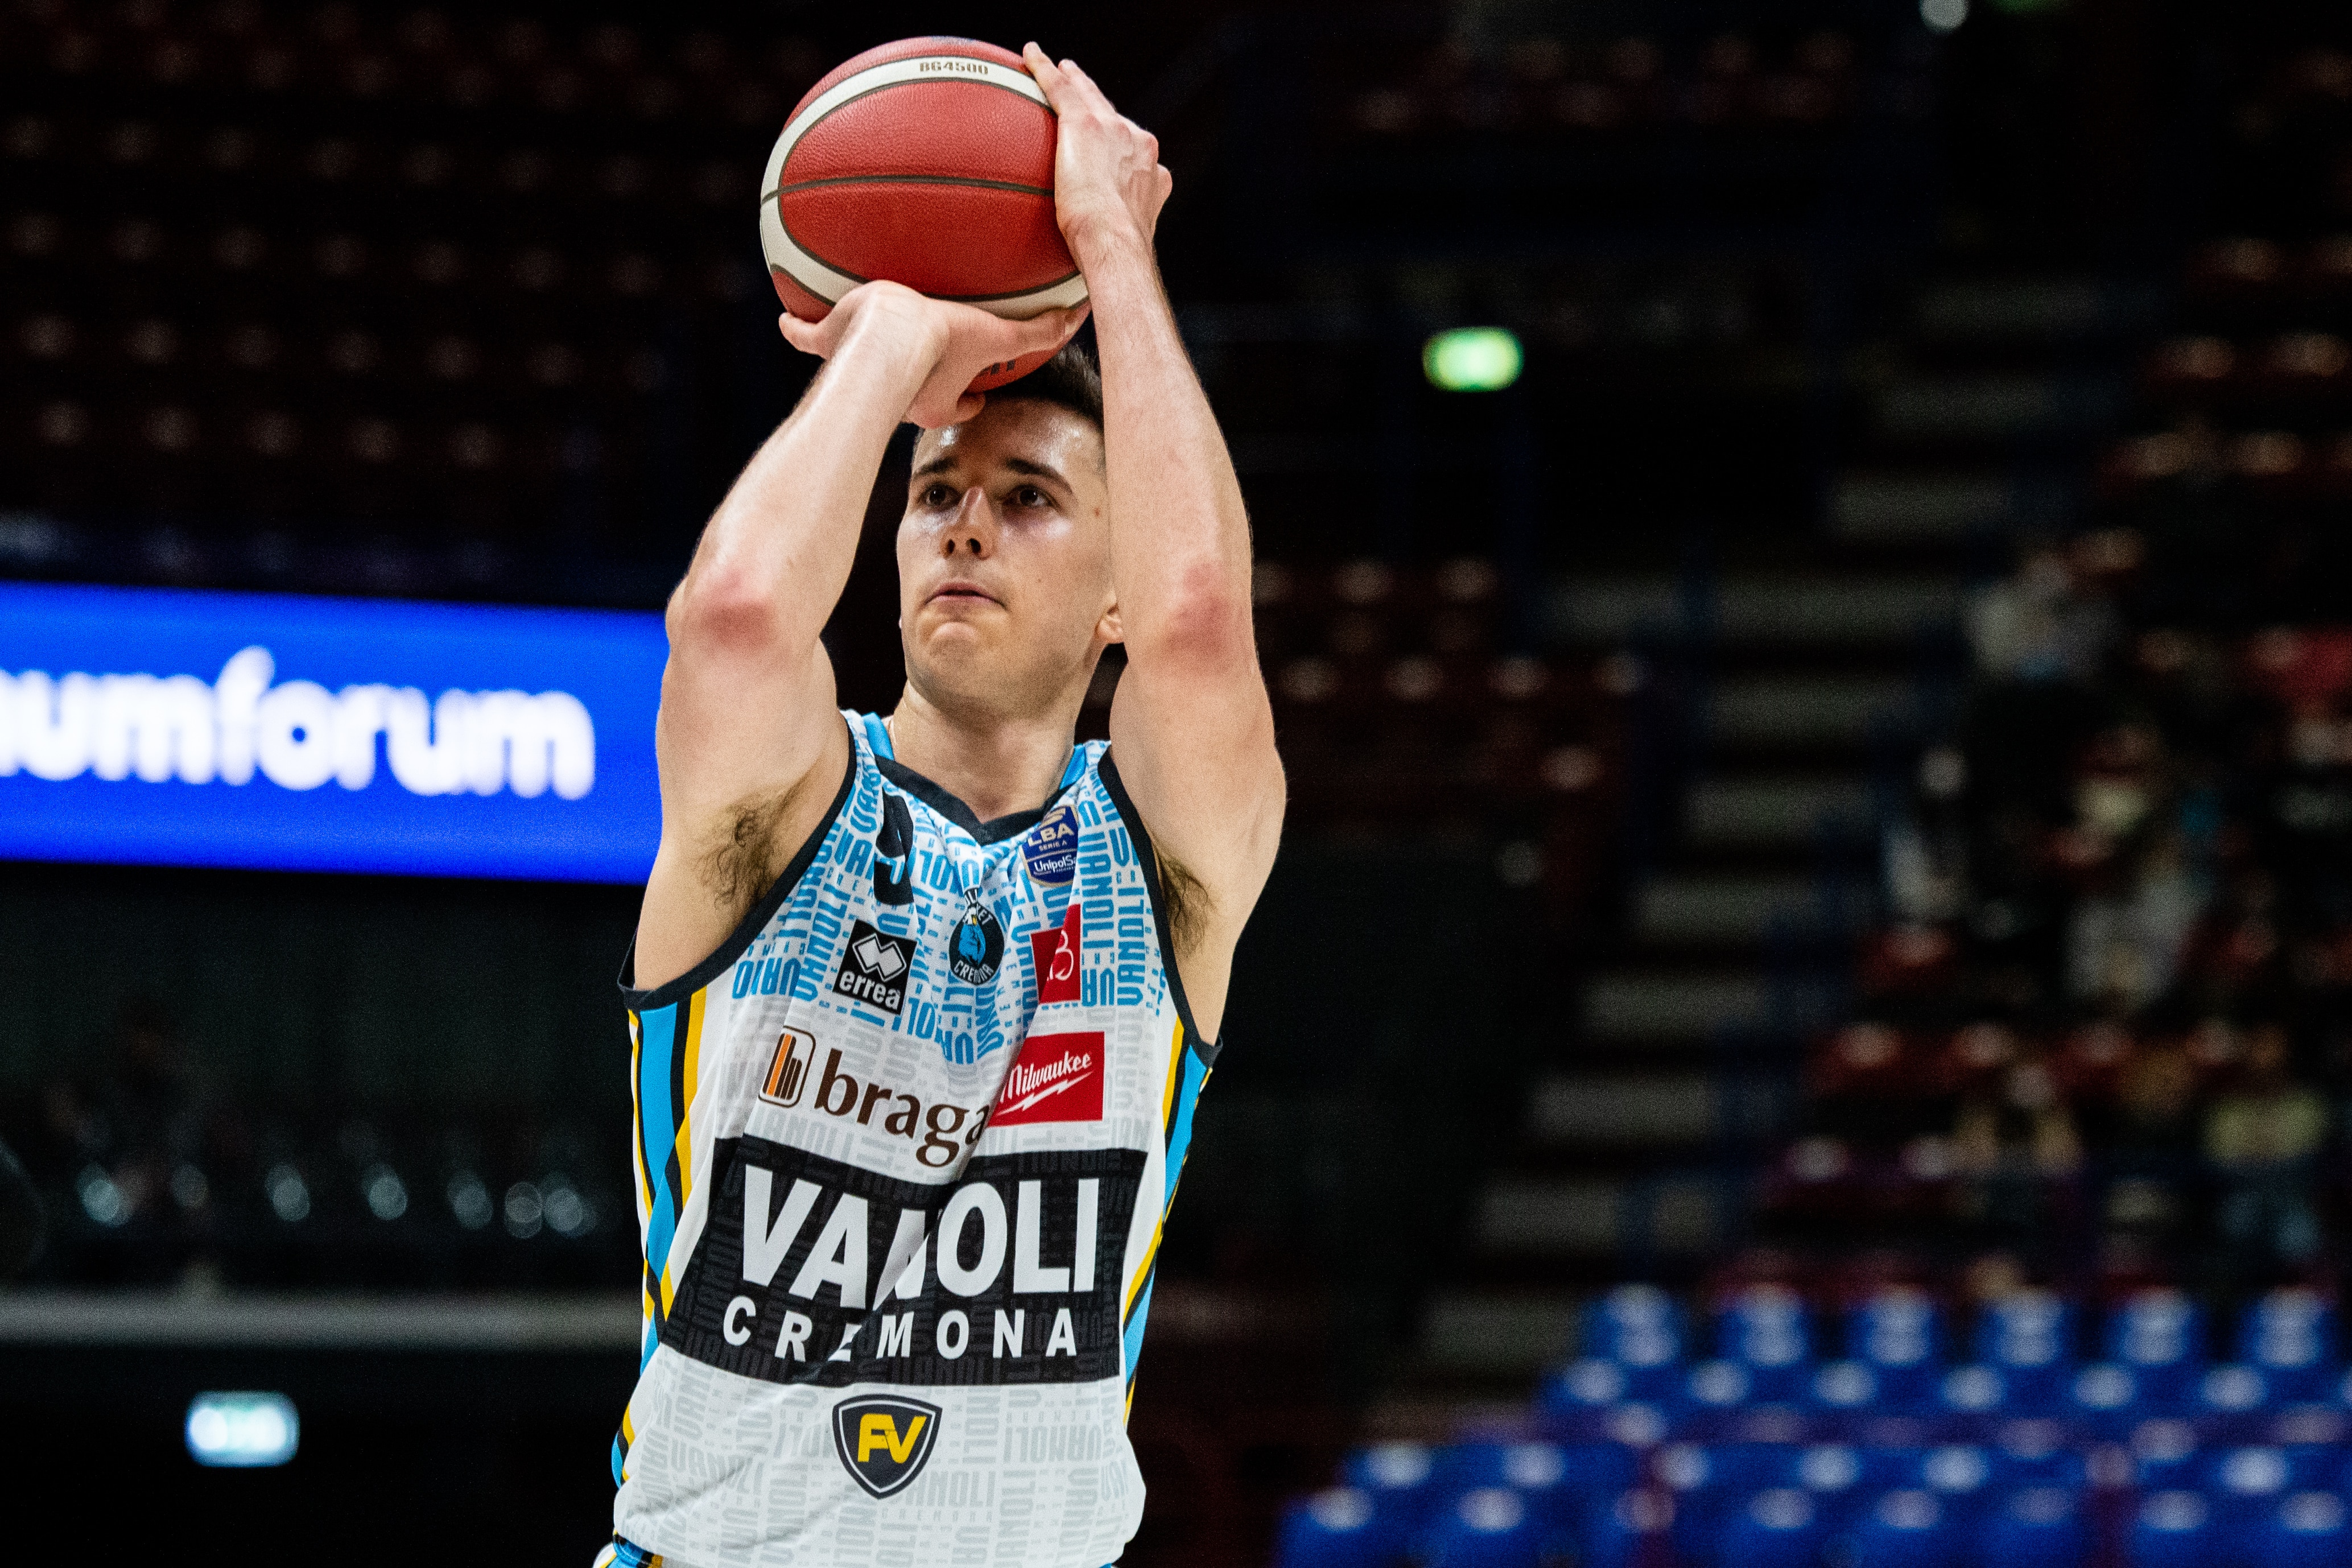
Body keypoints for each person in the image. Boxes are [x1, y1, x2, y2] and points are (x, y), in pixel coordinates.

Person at [600, 47, 1285, 1568]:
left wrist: (1113, 248)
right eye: (936, 490)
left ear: (1109, 586)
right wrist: (886, 347)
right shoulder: (782, 808)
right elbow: (727, 621)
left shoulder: (1162, 856)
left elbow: (1197, 622)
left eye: (1029, 495)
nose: (965, 518)